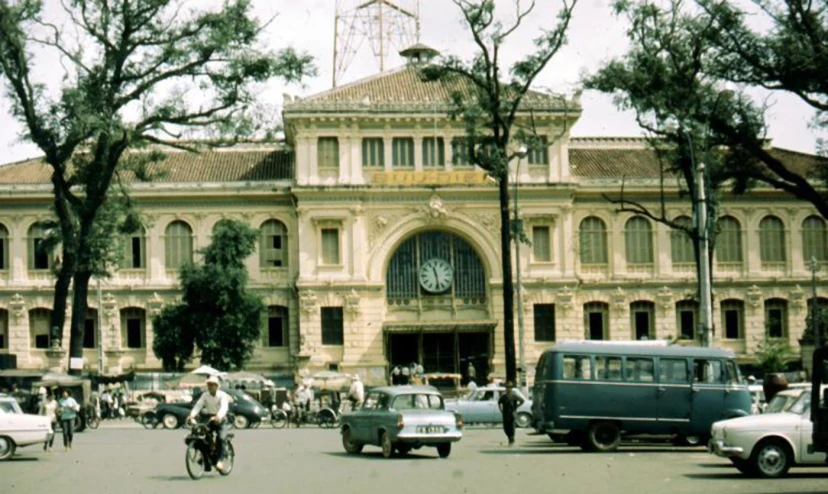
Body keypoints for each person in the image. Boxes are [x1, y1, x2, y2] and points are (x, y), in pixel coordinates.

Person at [187, 376, 231, 473]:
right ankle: (206, 459)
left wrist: (218, 416)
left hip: (221, 419)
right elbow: (198, 405)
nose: (210, 387)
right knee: (200, 436)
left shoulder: (222, 395)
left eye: (212, 385)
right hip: (209, 418)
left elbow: (224, 407)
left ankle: (220, 460)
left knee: (221, 438)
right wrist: (192, 415)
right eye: (209, 385)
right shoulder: (205, 395)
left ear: (217, 386)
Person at [497, 381, 525, 447]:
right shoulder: (503, 396)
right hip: (505, 413)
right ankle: (510, 438)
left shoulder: (514, 395)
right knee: (505, 428)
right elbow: (499, 403)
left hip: (512, 413)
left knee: (512, 427)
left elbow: (522, 400)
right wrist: (501, 410)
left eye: (509, 387)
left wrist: (517, 406)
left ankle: (511, 439)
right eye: (507, 387)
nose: (508, 388)